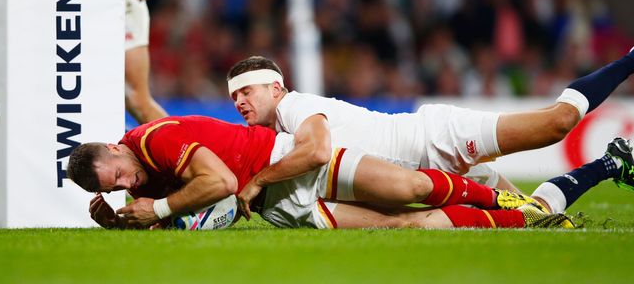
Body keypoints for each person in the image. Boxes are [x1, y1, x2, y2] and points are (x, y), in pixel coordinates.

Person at [226, 28, 634, 214]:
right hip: (427, 175)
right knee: (535, 217)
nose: (240, 103)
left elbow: (318, 151)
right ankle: (610, 164)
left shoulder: (294, 107)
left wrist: (254, 184)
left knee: (555, 124)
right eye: (234, 97)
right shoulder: (276, 134)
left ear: (275, 87)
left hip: (435, 141)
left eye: (247, 91)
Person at [66, 115, 577, 230]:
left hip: (283, 161)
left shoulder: (155, 140)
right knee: (404, 224)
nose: (127, 186)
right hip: (281, 208)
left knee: (414, 187)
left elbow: (219, 184)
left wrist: (153, 207)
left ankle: (507, 199)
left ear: (117, 147)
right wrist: (125, 223)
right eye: (118, 189)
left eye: (120, 176)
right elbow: (179, 222)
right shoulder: (143, 174)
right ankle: (526, 221)